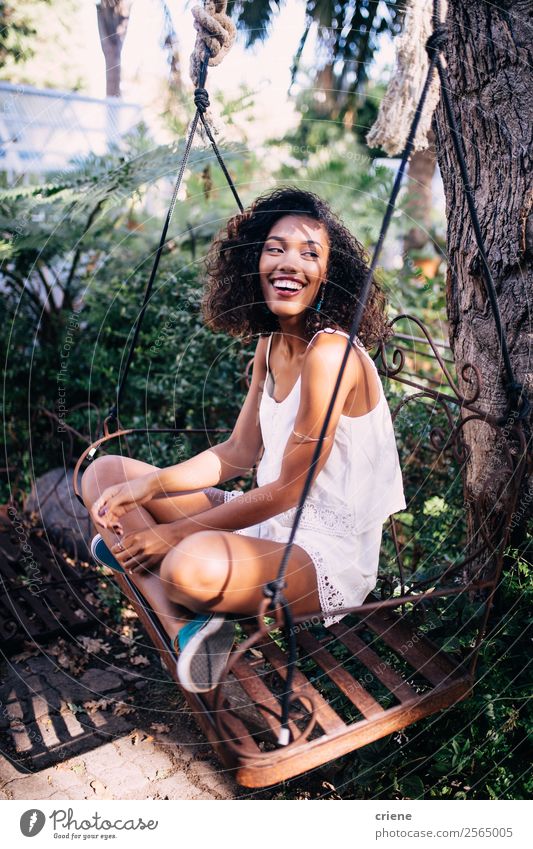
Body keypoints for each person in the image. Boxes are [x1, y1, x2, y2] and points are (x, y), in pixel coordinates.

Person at [82, 186, 406, 694]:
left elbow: (288, 491)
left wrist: (168, 534)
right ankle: (186, 627)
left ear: (329, 275)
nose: (289, 262)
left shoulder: (331, 355)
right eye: (275, 248)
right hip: (269, 524)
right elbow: (238, 453)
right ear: (254, 261)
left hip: (321, 550)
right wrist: (149, 489)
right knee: (104, 474)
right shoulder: (270, 343)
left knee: (187, 565)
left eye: (309, 253)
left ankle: (151, 570)